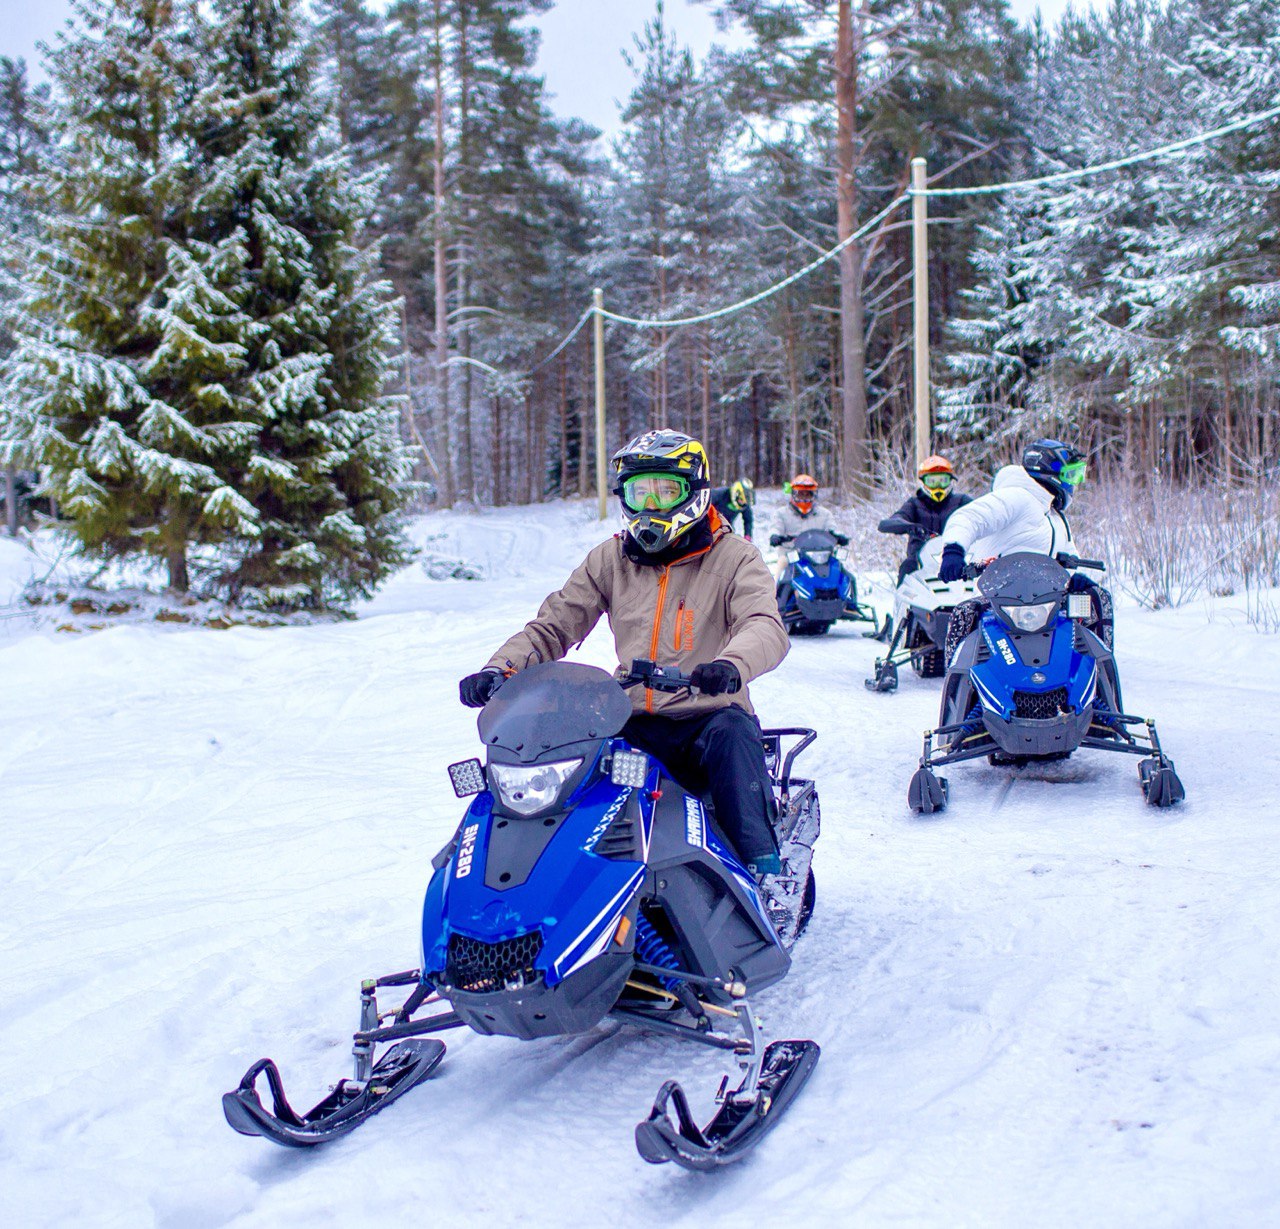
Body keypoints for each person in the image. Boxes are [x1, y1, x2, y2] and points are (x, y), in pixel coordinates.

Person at [457, 429, 789, 877]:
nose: (651, 506)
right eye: (639, 491)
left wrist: (730, 666)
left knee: (732, 737)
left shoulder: (735, 558)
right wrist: (501, 668)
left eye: (665, 491)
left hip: (707, 714)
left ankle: (764, 871)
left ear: (694, 493)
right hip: (628, 717)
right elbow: (554, 624)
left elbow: (764, 625)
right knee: (565, 779)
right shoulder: (610, 559)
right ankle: (563, 879)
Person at [937, 438, 1111, 660]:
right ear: (1049, 472)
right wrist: (953, 550)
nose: (1074, 483)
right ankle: (958, 681)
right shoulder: (1016, 497)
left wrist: (1075, 578)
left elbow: (1069, 556)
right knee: (964, 614)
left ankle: (1097, 669)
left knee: (1097, 598)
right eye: (1071, 475)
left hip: (1048, 601)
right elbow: (969, 517)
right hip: (997, 600)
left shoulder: (1056, 518)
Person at [878, 455, 972, 583]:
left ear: (950, 481)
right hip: (920, 561)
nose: (938, 486)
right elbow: (892, 520)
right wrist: (908, 526)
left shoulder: (961, 501)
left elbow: (980, 515)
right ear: (923, 482)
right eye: (932, 481)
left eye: (942, 481)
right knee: (907, 566)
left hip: (956, 555)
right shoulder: (914, 504)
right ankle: (903, 602)